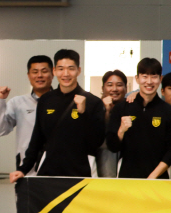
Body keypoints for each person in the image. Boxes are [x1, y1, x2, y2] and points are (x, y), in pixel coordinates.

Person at [9, 49, 105, 182]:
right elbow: (37, 138)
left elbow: (96, 141)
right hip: (49, 172)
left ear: (79, 70)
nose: (65, 74)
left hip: (80, 174)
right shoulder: (46, 100)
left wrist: (84, 113)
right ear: (54, 71)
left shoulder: (93, 102)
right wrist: (23, 169)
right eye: (61, 68)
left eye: (71, 68)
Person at [107, 58, 171, 179]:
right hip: (128, 179)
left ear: (160, 79)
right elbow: (112, 146)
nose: (149, 81)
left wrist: (153, 176)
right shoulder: (122, 108)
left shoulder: (170, 112)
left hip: (158, 180)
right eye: (144, 76)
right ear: (137, 79)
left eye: (153, 76)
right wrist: (121, 130)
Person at [0, 54, 53, 174]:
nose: (39, 75)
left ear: (53, 73)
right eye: (35, 71)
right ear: (28, 75)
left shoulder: (62, 102)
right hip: (26, 167)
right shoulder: (18, 103)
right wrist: (0, 101)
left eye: (44, 71)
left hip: (56, 165)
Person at [97, 69, 127, 178]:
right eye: (110, 85)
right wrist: (107, 111)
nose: (114, 89)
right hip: (104, 158)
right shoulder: (95, 106)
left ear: (126, 88)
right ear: (102, 88)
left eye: (119, 85)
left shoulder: (131, 106)